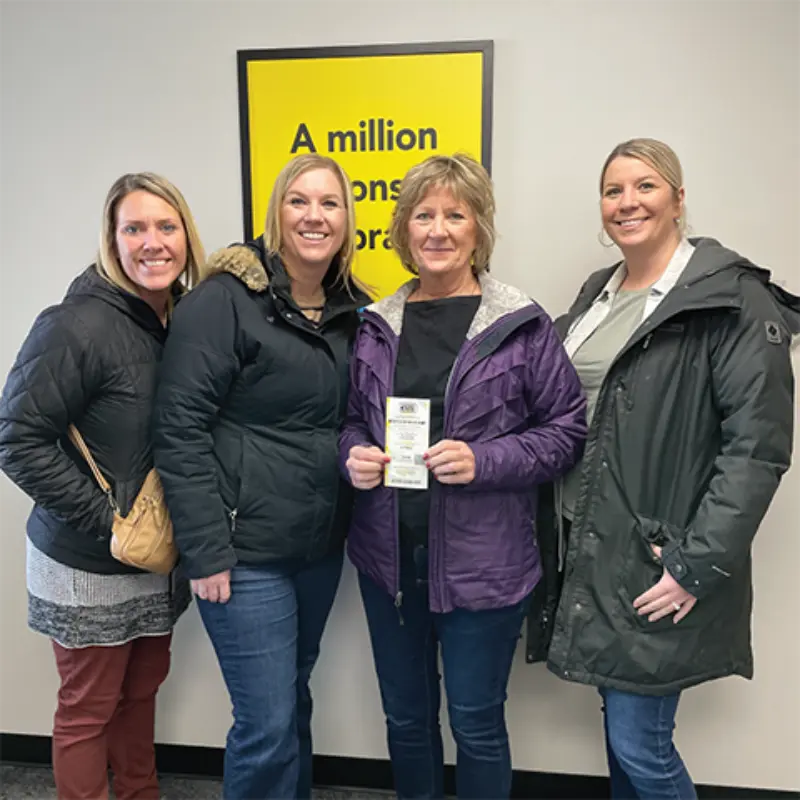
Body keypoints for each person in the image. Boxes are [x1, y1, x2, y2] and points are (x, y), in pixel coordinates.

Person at [545, 138, 800, 799]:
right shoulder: (595, 295)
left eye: (645, 186)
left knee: (642, 745)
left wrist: (694, 564)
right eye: (613, 190)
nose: (627, 202)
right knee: (622, 738)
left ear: (679, 199)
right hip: (589, 546)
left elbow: (758, 448)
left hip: (658, 555)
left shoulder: (733, 301)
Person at [340, 153, 587, 800]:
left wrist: (486, 461)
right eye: (424, 215)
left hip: (486, 567)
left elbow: (566, 432)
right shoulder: (374, 325)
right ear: (403, 229)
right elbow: (348, 422)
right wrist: (354, 455)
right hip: (389, 562)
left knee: (477, 725)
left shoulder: (522, 325)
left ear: (479, 229)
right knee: (407, 720)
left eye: (457, 214)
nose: (439, 229)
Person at [152, 153, 370, 800]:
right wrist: (206, 548)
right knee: (266, 725)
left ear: (347, 221)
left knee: (293, 701)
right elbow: (179, 430)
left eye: (329, 203)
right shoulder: (224, 302)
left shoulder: (352, 310)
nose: (314, 215)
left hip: (316, 547)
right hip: (242, 552)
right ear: (276, 213)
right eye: (299, 201)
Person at [0, 173, 205, 800]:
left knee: (139, 696)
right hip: (88, 560)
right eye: (134, 228)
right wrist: (109, 520)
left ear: (186, 237)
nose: (152, 242)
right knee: (89, 709)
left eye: (166, 227)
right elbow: (15, 437)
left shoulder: (181, 322)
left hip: (155, 556)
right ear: (111, 241)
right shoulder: (75, 325)